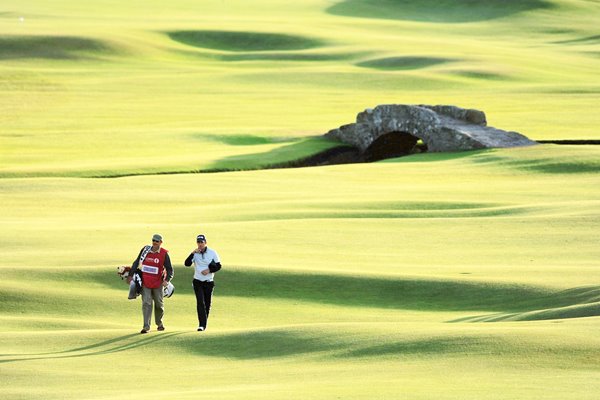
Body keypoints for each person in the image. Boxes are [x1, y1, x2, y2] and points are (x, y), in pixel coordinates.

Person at [130, 234, 174, 334]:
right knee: (146, 303)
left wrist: (167, 280)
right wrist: (130, 275)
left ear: (161, 243)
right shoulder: (145, 251)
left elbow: (170, 269)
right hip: (145, 282)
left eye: (157, 241)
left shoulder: (164, 254)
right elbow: (137, 262)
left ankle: (159, 323)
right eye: (153, 240)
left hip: (158, 283)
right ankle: (146, 326)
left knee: (159, 304)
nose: (154, 242)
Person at [184, 234, 222, 332]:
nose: (200, 244)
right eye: (198, 242)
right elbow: (187, 263)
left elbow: (218, 266)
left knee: (207, 303)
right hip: (197, 281)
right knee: (200, 302)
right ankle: (202, 325)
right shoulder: (195, 253)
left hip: (209, 282)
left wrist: (209, 270)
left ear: (205, 243)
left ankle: (203, 322)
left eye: (202, 242)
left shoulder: (212, 253)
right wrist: (192, 253)